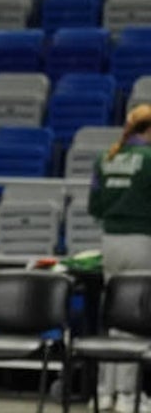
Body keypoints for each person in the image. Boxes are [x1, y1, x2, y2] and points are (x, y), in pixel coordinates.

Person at [88, 104, 151, 413]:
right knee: (135, 319)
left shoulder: (105, 158)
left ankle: (104, 392)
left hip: (110, 242)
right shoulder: (150, 159)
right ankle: (129, 395)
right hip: (142, 241)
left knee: (113, 317)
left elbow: (94, 206)